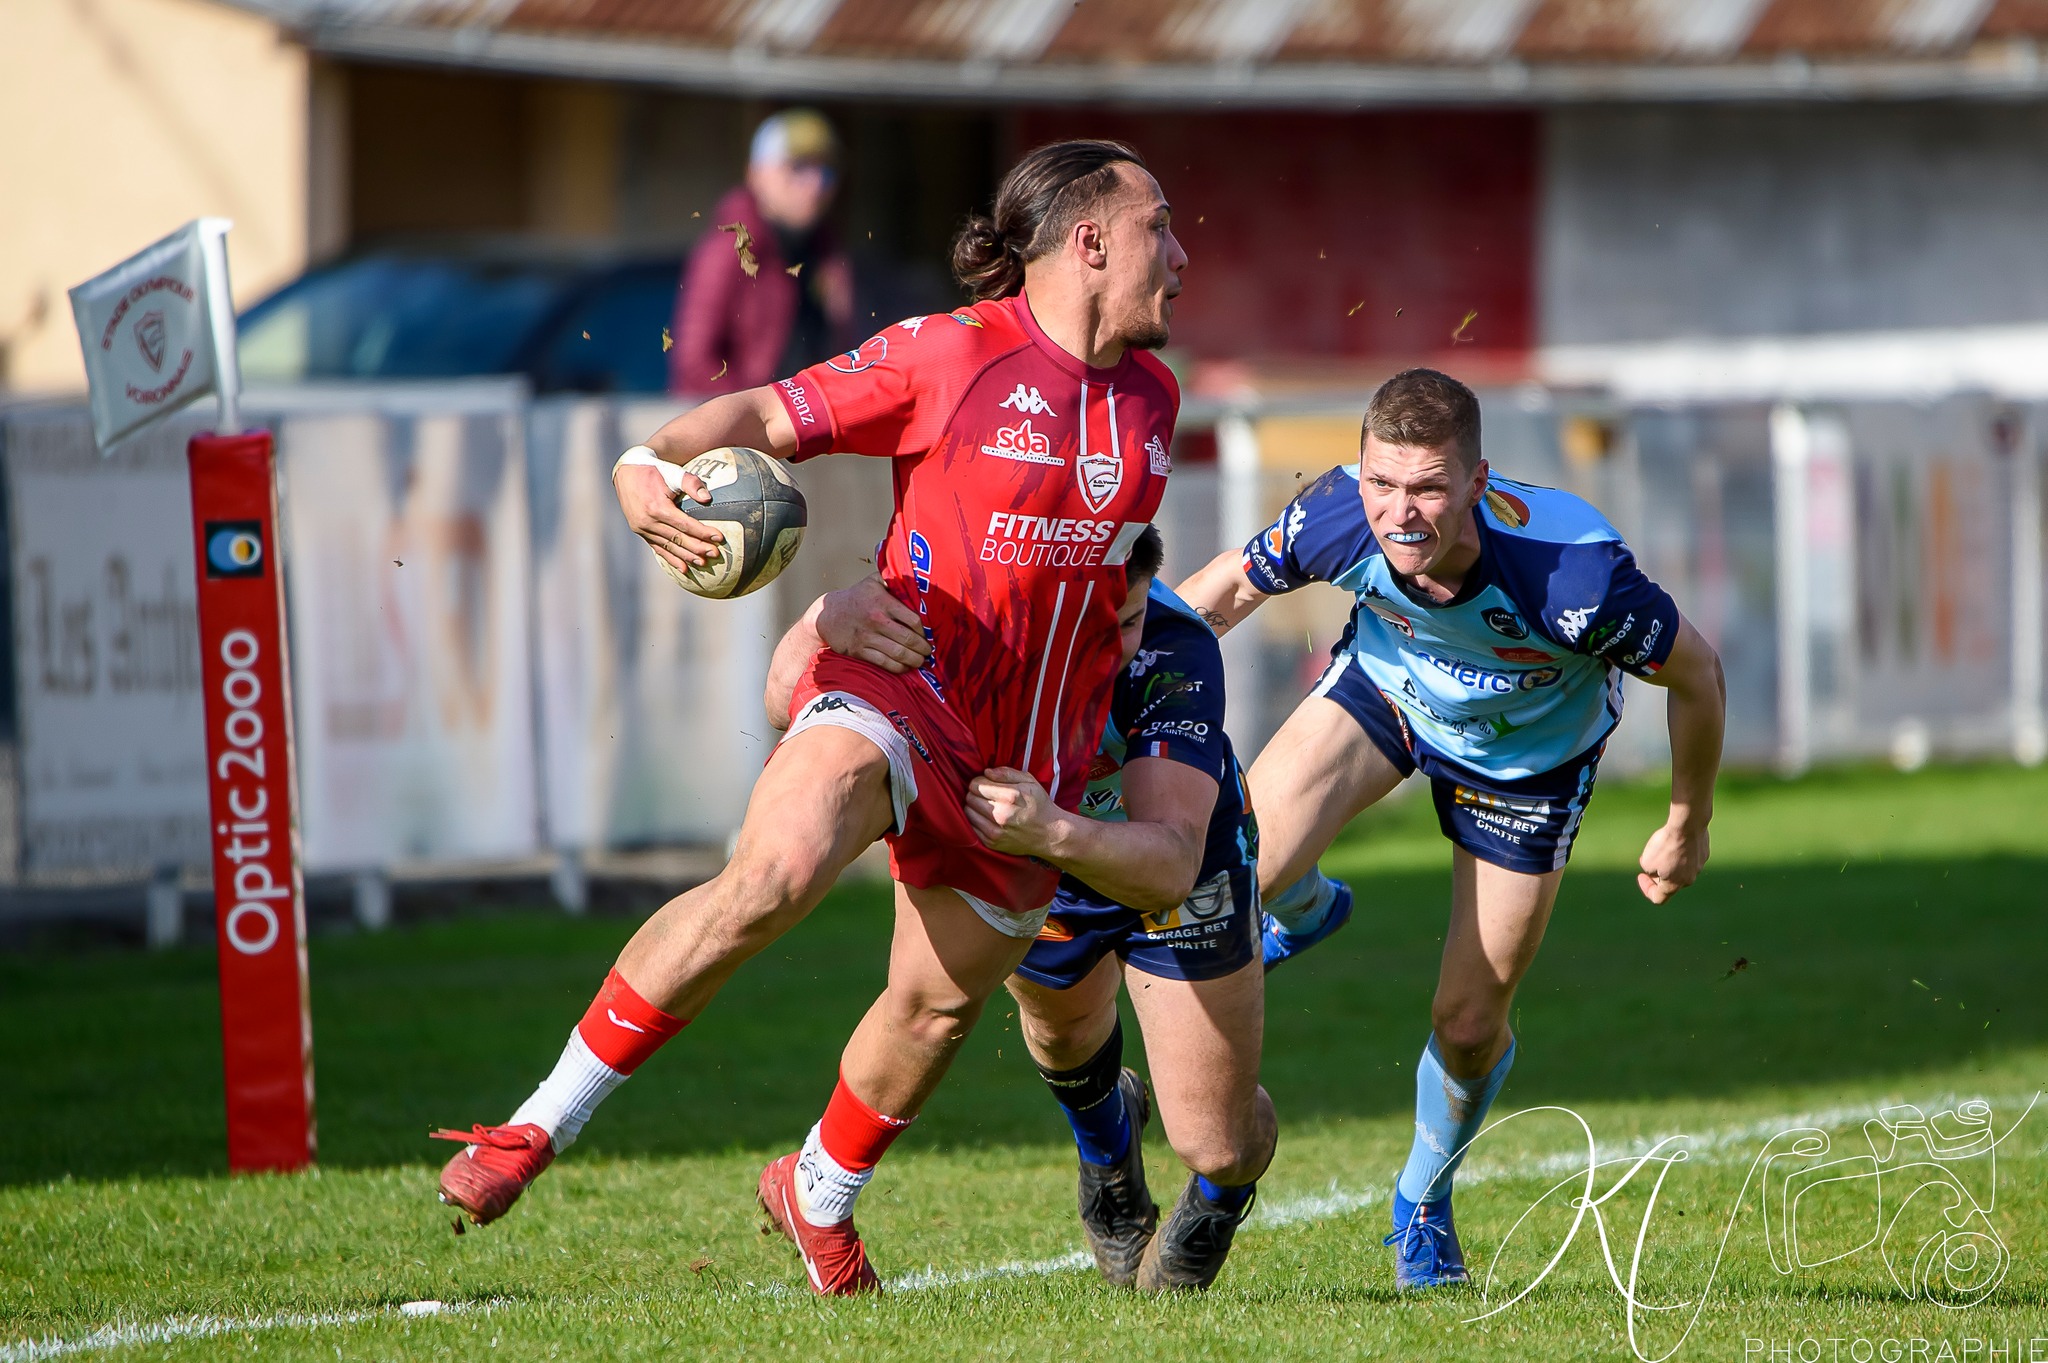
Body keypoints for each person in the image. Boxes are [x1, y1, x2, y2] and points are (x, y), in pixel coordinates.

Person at [432, 140, 1188, 1297]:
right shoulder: (953, 351)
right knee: (772, 873)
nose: (1178, 255)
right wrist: (652, 463)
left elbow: (1091, 584)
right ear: (1089, 242)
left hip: (1023, 767)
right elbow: (766, 414)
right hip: (901, 678)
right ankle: (534, 1126)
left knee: (934, 1011)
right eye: (1159, 230)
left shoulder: (1152, 399)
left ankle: (818, 1192)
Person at [1175, 368, 1725, 1292]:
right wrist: (1114, 685)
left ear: (1477, 480)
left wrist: (1687, 822)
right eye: (1382, 483)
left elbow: (1697, 673)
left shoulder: (1575, 576)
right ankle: (1300, 905)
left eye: (1429, 487)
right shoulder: (1336, 515)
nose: (1400, 513)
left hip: (1529, 764)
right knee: (1226, 873)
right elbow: (1222, 592)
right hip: (1387, 694)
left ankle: (1422, 1199)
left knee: (1468, 1022)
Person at [766, 526, 1274, 1292]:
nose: (1116, 644)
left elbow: (1169, 861)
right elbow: (783, 701)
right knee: (1063, 1037)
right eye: (1096, 621)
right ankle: (1109, 1167)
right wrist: (823, 616)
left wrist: (1055, 828)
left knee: (1218, 1140)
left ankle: (1219, 1198)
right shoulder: (970, 623)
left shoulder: (1175, 648)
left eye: (1130, 619)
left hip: (1173, 863)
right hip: (1040, 854)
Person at [670, 108, 855, 396]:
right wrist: (758, 419)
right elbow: (694, 366)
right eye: (798, 168)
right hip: (745, 434)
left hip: (805, 431)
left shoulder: (827, 254)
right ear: (756, 174)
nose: (816, 185)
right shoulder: (730, 251)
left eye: (826, 171)